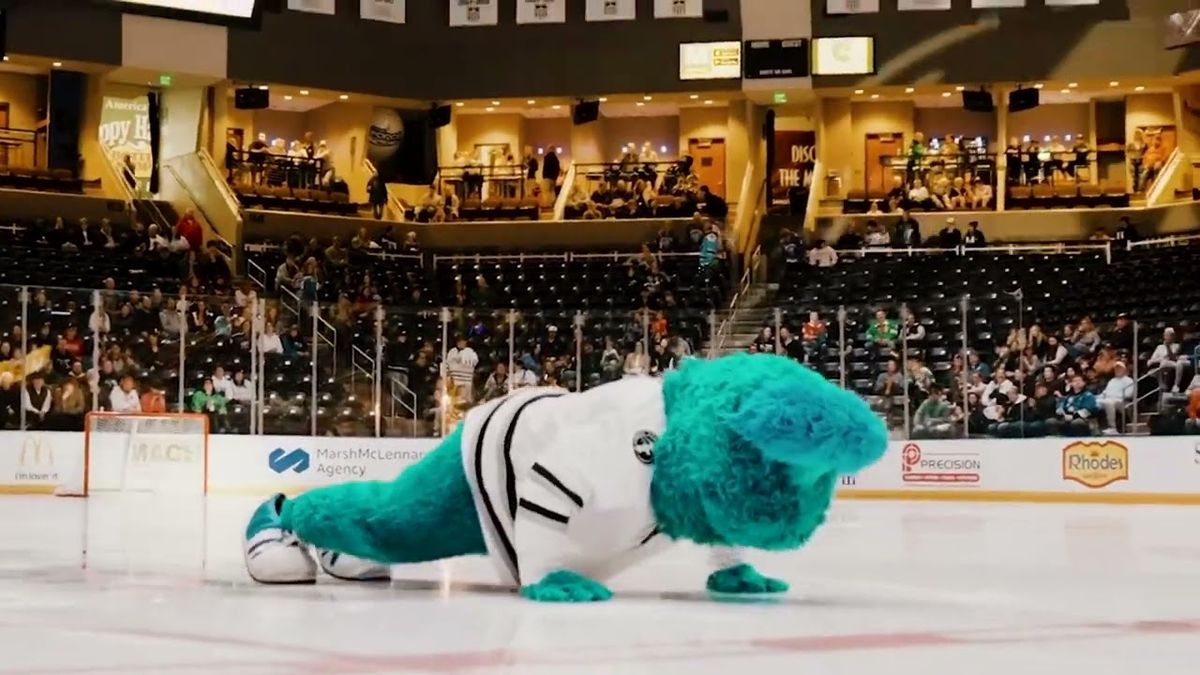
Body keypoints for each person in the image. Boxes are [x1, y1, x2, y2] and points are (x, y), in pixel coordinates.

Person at [1097, 362, 1134, 434]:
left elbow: (1129, 394)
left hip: (1121, 401)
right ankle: (1094, 427)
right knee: (1093, 401)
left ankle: (1113, 428)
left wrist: (1115, 396)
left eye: (1119, 368)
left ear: (1124, 370)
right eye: (1116, 369)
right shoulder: (1112, 381)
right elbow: (1105, 393)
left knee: (1109, 402)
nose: (1117, 370)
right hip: (1108, 399)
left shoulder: (1128, 380)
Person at [1148, 327, 1189, 393]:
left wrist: (1167, 347)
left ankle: (1173, 386)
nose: (1166, 337)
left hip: (1173, 364)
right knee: (1153, 371)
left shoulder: (1177, 346)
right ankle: (1161, 385)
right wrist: (1160, 359)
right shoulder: (1159, 347)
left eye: (1168, 335)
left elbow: (1173, 358)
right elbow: (1151, 360)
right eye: (1165, 335)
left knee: (1164, 363)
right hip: (1161, 365)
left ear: (1173, 336)